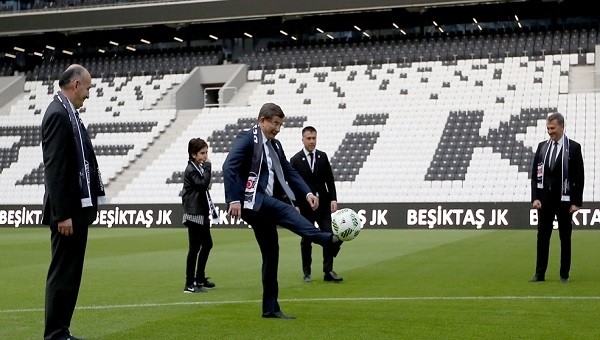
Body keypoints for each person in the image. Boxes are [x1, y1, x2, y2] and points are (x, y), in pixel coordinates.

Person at [222, 102, 343, 320]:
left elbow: (289, 171)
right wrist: (233, 200)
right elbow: (228, 166)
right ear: (262, 121)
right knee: (287, 211)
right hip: (252, 201)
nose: (277, 128)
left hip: (264, 204)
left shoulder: (275, 146)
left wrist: (307, 193)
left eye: (280, 125)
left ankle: (270, 308)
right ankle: (327, 239)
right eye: (275, 124)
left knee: (271, 253)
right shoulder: (248, 138)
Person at [42, 64, 106, 340]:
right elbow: (55, 168)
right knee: (63, 272)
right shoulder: (58, 114)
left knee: (70, 273)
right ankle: (55, 333)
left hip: (76, 210)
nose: (89, 94)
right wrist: (63, 214)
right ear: (76, 84)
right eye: (88, 88)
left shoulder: (68, 113)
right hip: (68, 212)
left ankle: (61, 330)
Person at [529, 112, 584, 284]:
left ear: (562, 126)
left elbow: (579, 176)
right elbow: (535, 174)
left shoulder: (573, 148)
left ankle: (564, 274)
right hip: (544, 201)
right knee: (542, 237)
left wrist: (576, 202)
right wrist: (535, 198)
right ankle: (539, 274)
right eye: (548, 128)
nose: (550, 132)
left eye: (552, 128)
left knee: (565, 238)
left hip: (564, 201)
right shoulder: (542, 147)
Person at [290, 126, 342, 283]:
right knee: (306, 239)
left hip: (324, 205)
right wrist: (295, 204)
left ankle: (328, 271)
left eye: (314, 138)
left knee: (330, 236)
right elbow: (292, 184)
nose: (312, 141)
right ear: (303, 140)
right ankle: (307, 272)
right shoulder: (295, 160)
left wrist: (333, 198)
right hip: (305, 207)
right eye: (309, 138)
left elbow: (329, 180)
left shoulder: (322, 157)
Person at [181, 137, 219, 293]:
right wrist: (209, 168)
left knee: (203, 246)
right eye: (202, 153)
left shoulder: (197, 168)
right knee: (196, 248)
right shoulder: (191, 169)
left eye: (206, 152)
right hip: (194, 213)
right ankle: (190, 283)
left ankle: (199, 278)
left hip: (199, 212)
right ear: (193, 154)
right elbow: (202, 185)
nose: (205, 156)